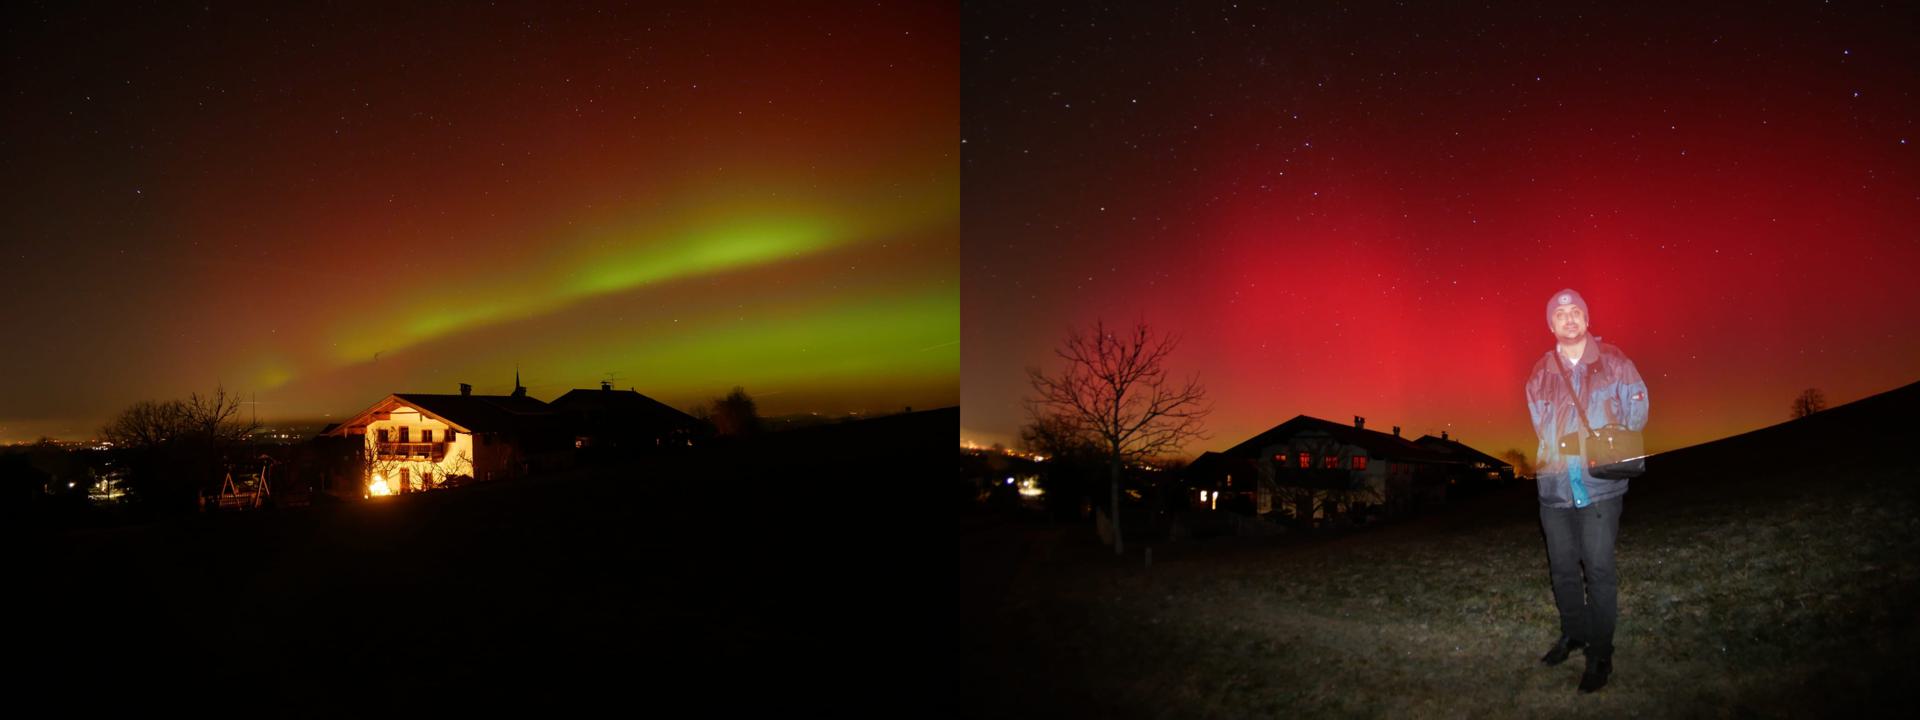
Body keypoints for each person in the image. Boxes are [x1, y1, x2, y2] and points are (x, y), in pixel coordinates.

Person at [1526, 288, 1649, 693]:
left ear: (1587, 319)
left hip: (1600, 488)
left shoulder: (1614, 361)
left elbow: (1638, 409)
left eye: (1576, 311)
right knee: (1562, 570)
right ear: (1551, 324)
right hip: (1555, 489)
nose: (1569, 318)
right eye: (1560, 314)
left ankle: (1600, 652)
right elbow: (1540, 425)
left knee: (1598, 571)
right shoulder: (1541, 372)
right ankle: (1574, 633)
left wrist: (1608, 434)